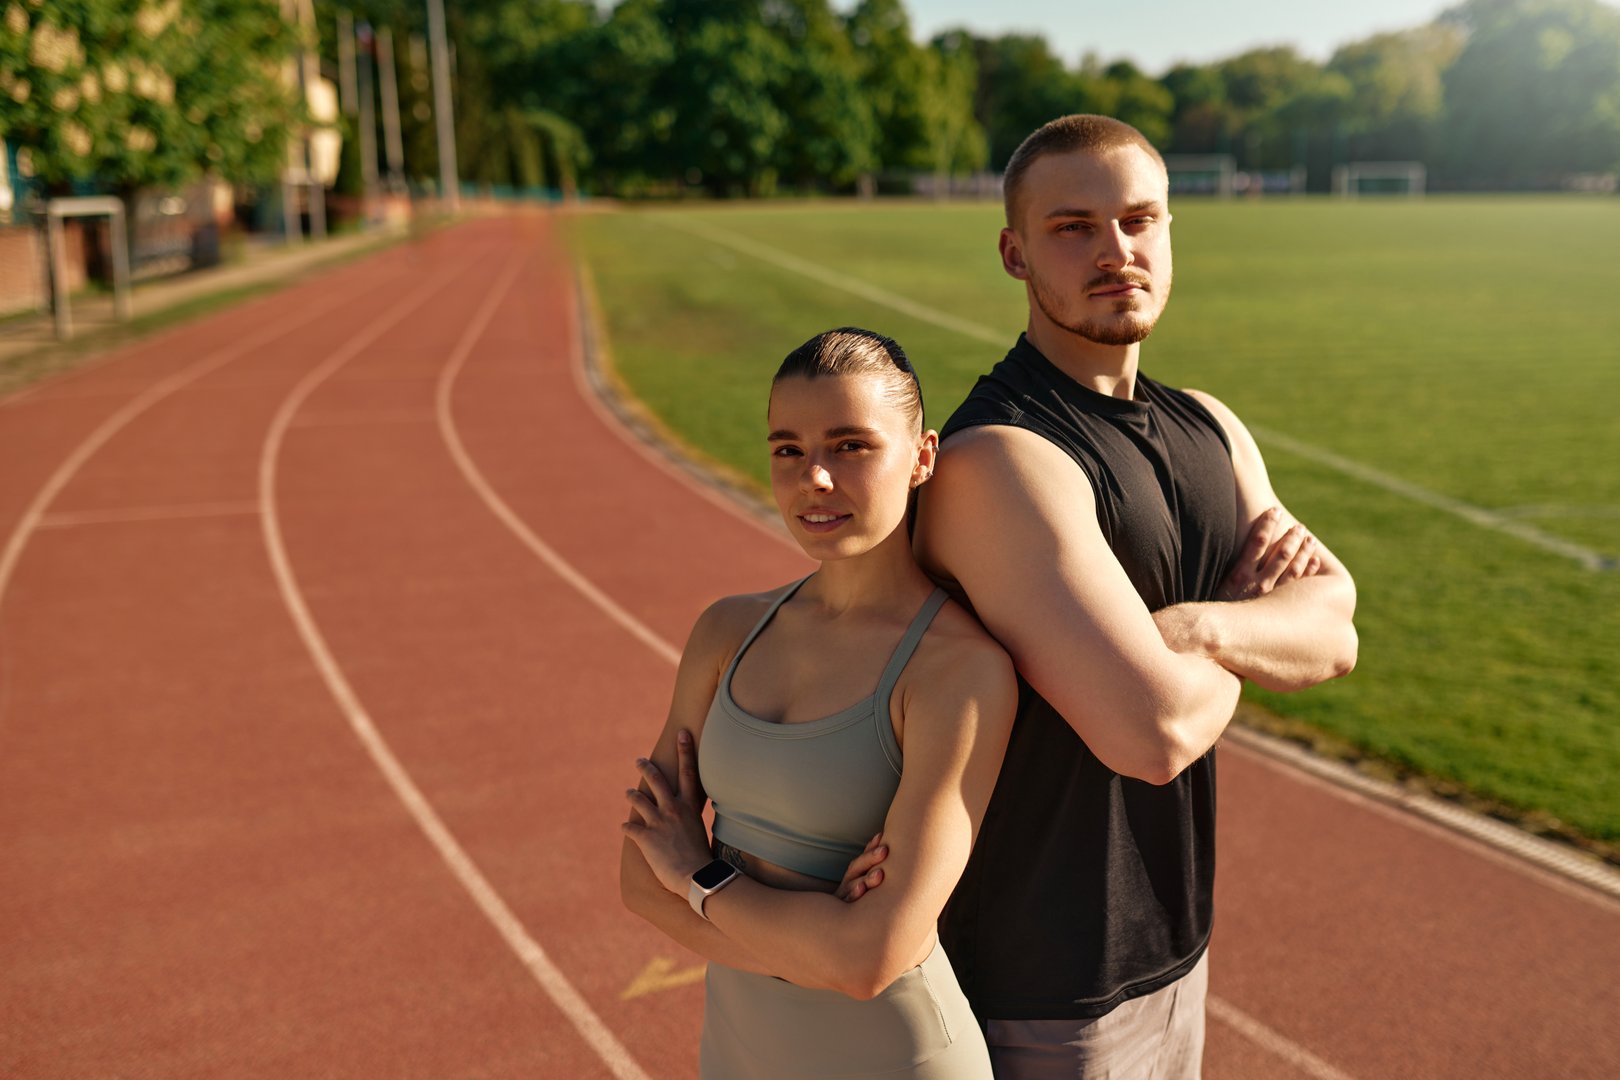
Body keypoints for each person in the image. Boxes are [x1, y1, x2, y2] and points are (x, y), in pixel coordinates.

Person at [849, 115, 1360, 1078]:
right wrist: (1247, 634)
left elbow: (1336, 629)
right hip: (1040, 983)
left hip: (1177, 942)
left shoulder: (1211, 426)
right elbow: (1153, 733)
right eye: (1073, 226)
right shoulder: (997, 459)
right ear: (1014, 251)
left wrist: (1189, 629)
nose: (1116, 251)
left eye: (1139, 220)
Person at [619, 328, 1016, 1079]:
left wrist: (699, 875)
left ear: (923, 457)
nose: (816, 480)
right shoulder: (727, 631)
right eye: (789, 451)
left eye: (851, 447)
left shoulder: (957, 672)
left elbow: (873, 959)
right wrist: (817, 938)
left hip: (899, 1057)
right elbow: (640, 877)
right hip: (736, 1054)